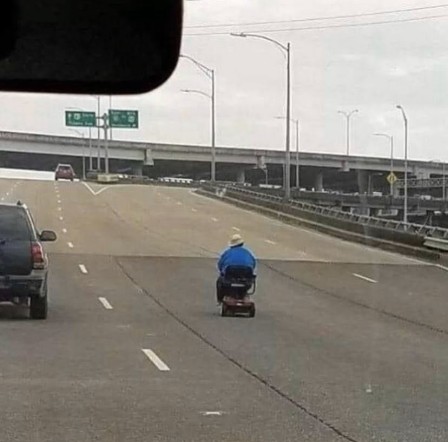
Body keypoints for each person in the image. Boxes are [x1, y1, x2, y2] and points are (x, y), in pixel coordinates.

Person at [216, 234, 257, 304]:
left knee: (220, 281)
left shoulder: (227, 252)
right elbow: (253, 263)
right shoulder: (247, 252)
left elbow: (220, 264)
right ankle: (242, 294)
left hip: (230, 273)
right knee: (247, 282)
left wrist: (222, 272)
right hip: (246, 273)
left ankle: (220, 300)